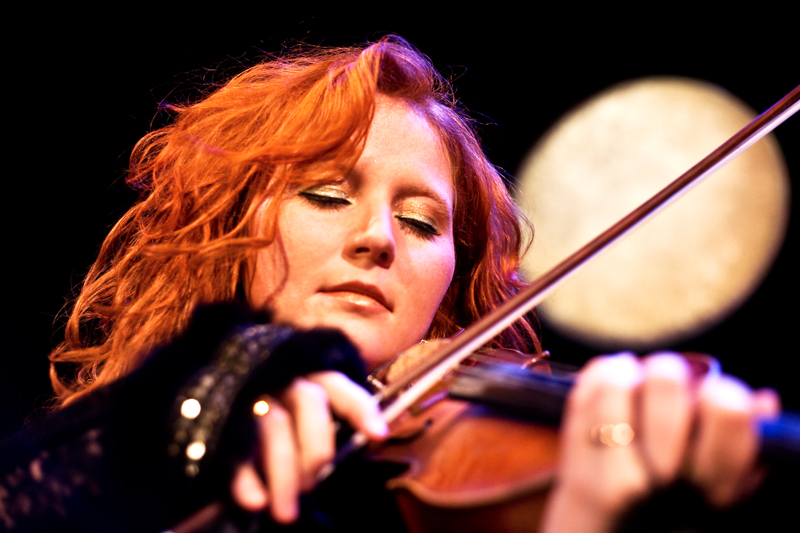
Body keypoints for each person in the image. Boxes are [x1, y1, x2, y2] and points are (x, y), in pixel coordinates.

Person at [1, 36, 779, 533]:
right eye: (329, 195)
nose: (377, 237)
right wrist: (219, 389)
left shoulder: (459, 481)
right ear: (229, 224)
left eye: (421, 222)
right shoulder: (110, 451)